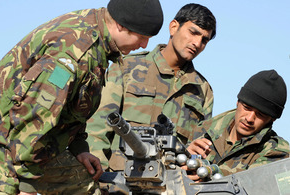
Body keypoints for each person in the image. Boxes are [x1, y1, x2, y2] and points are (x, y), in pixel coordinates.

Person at [0, 0, 163, 194]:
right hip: (2, 145)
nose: (144, 45)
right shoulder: (74, 53)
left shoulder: (99, 36)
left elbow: (72, 106)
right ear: (120, 25)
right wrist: (26, 187)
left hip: (35, 147)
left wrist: (79, 148)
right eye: (141, 36)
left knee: (88, 188)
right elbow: (33, 118)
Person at [87, 2, 216, 176]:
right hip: (119, 182)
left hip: (169, 186)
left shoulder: (202, 91)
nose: (197, 43)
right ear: (174, 27)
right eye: (193, 32)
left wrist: (191, 154)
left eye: (204, 40)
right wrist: (98, 177)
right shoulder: (127, 68)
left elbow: (197, 151)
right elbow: (98, 127)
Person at [185, 69, 290, 181]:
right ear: (238, 102)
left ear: (272, 119)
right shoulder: (203, 130)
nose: (249, 118)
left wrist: (212, 175)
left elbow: (254, 185)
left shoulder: (277, 152)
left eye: (261, 115)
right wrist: (185, 154)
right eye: (246, 108)